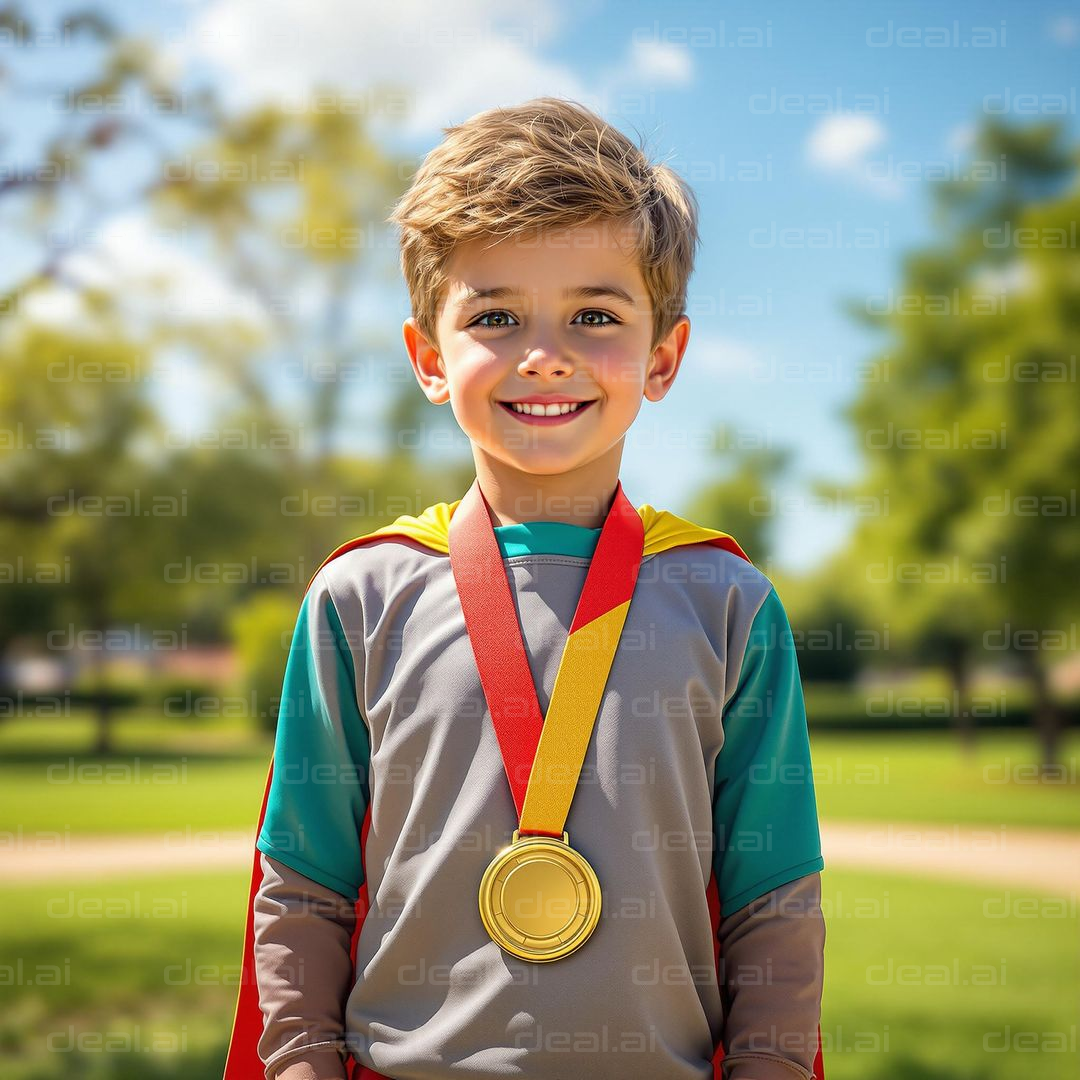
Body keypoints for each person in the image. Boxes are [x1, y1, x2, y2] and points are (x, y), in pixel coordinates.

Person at [222, 96, 827, 1080]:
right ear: (428, 358)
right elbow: (302, 890)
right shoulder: (359, 597)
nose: (544, 353)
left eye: (595, 314)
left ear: (663, 356)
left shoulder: (729, 602)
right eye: (494, 315)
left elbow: (775, 899)